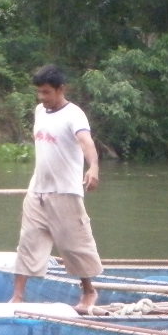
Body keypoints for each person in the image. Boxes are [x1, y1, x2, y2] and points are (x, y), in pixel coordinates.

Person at [9, 64, 104, 313]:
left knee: (74, 245)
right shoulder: (40, 111)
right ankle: (18, 297)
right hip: (37, 191)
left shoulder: (75, 114)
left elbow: (86, 142)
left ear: (61, 89)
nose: (43, 98)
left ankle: (89, 291)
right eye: (39, 92)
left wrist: (93, 167)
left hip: (65, 191)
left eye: (47, 92)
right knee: (28, 242)